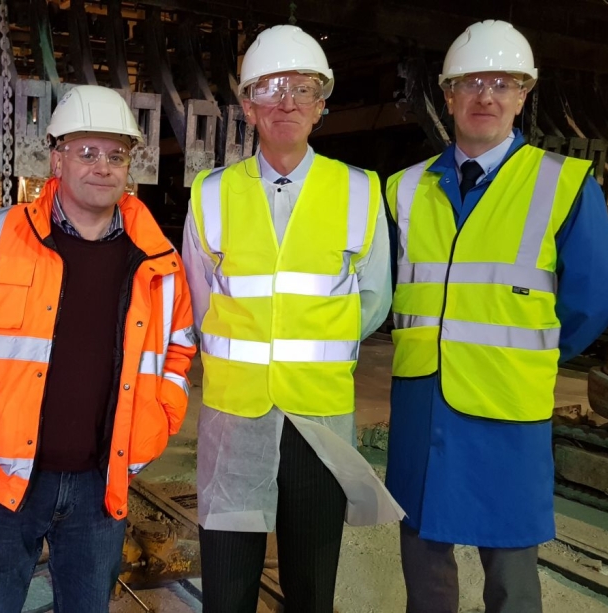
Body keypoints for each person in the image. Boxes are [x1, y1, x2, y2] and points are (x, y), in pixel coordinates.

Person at [384, 20, 608, 613]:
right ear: (447, 95)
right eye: (470, 82)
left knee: (511, 572)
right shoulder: (404, 190)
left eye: (502, 82)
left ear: (523, 94)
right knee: (422, 557)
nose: (485, 95)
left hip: (507, 407)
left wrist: (530, 352)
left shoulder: (562, 183)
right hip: (424, 403)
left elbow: (594, 300)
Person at [0, 84, 196, 613]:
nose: (102, 166)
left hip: (102, 484)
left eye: (115, 154)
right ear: (56, 156)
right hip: (1, 481)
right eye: (86, 151)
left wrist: (160, 419)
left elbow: (178, 349)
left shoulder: (159, 259)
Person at [183, 24, 394, 613]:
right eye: (271, 89)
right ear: (248, 105)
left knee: (310, 589)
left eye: (303, 89)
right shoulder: (212, 194)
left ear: (322, 104)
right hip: (235, 420)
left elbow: (371, 301)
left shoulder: (359, 191)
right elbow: (202, 303)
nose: (287, 103)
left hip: (318, 422)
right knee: (226, 591)